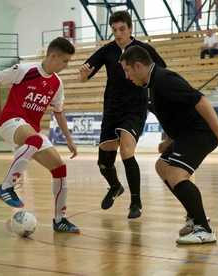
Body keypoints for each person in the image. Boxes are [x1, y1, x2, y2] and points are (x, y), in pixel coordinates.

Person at [119, 45, 218, 244]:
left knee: (176, 174)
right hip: (185, 132)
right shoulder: (150, 85)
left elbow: (199, 100)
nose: (126, 76)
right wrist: (169, 140)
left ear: (138, 66)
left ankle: (204, 229)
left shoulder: (164, 79)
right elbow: (175, 113)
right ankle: (194, 216)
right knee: (162, 166)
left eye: (127, 70)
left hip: (201, 131)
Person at [77, 10, 167, 219]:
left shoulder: (144, 50)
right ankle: (115, 186)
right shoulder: (107, 51)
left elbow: (162, 72)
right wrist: (82, 76)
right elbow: (85, 77)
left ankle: (136, 202)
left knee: (127, 150)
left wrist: (154, 97)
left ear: (130, 28)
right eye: (114, 30)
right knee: (103, 163)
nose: (118, 34)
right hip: (111, 109)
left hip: (135, 108)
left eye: (122, 29)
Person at [0, 37, 80, 233]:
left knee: (60, 168)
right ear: (53, 56)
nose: (66, 65)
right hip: (10, 122)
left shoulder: (57, 83)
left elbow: (58, 112)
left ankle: (60, 220)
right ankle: (6, 187)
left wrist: (69, 139)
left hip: (31, 130)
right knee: (35, 139)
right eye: (65, 61)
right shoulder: (24, 70)